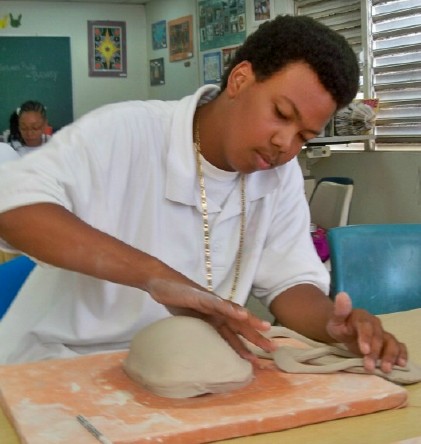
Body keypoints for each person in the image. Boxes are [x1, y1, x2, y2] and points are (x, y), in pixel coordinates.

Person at [0, 15, 407, 370]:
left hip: (185, 365)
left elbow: (289, 282)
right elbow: (12, 207)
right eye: (282, 115)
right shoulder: (126, 132)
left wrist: (334, 327)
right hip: (61, 363)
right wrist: (154, 277)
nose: (286, 143)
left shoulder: (277, 175)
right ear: (240, 79)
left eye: (304, 135)